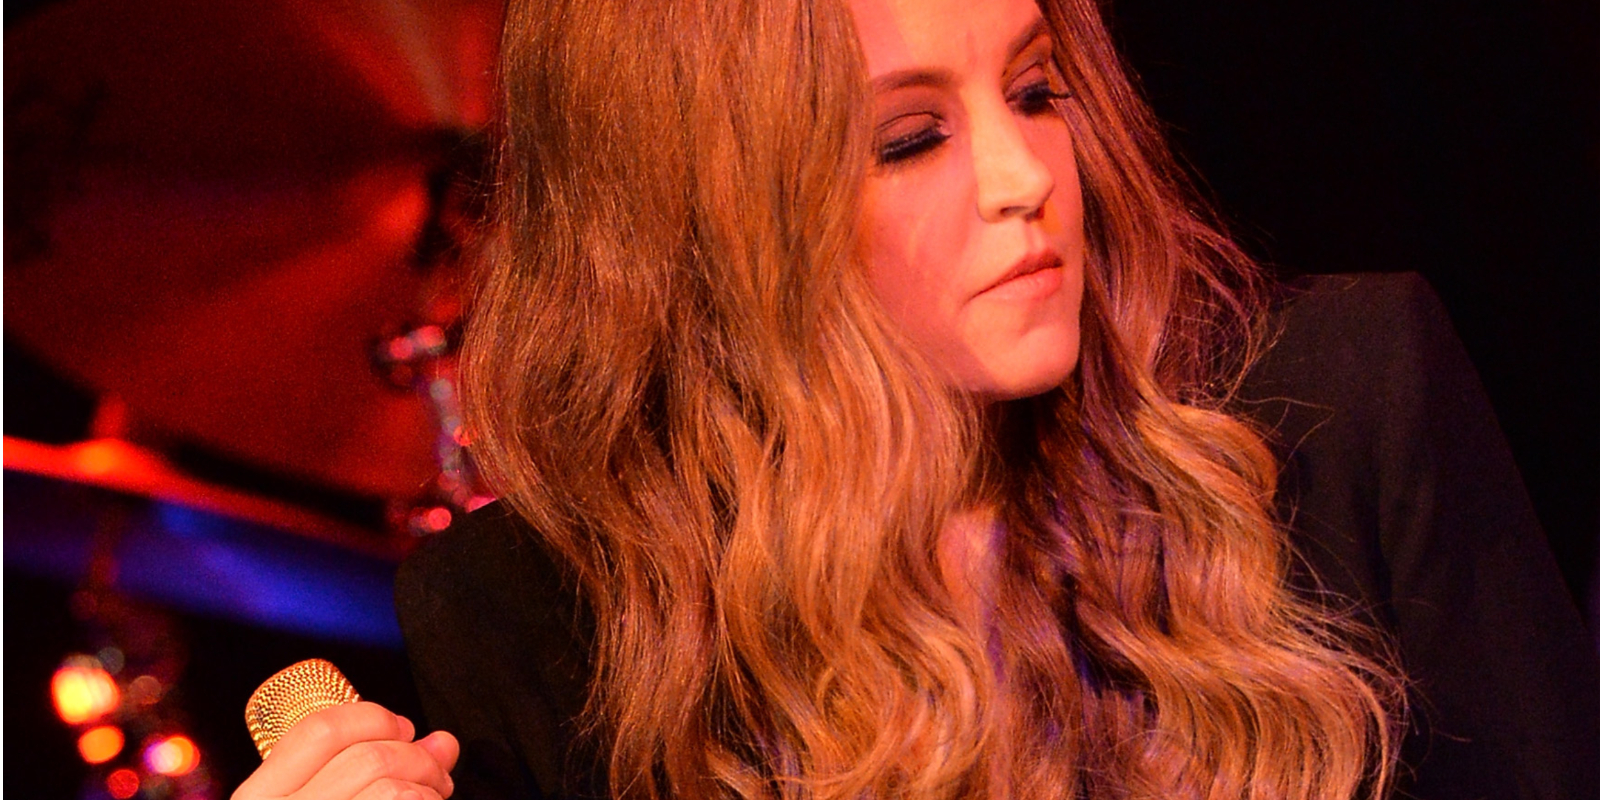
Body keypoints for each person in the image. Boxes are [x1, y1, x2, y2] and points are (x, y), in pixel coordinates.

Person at [232, 0, 1600, 798]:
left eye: (1035, 88)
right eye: (913, 137)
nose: (1027, 176)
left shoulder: (1342, 400)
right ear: (706, 215)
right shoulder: (532, 617)